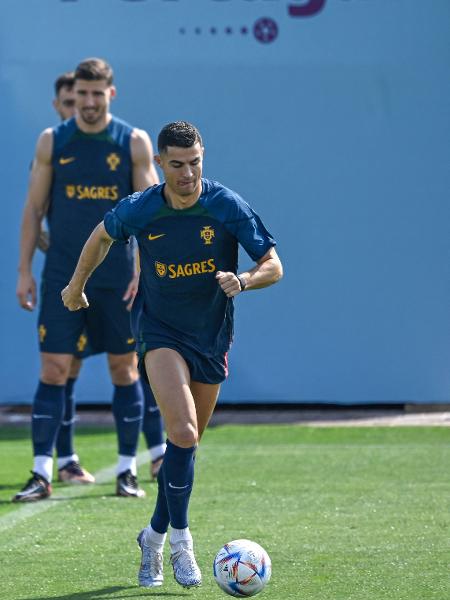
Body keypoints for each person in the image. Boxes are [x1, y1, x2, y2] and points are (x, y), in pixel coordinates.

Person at [61, 121, 283, 588]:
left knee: (187, 445)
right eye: (177, 165)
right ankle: (182, 541)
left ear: (204, 158)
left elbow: (274, 265)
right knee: (180, 430)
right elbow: (101, 235)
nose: (187, 173)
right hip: (160, 332)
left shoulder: (225, 205)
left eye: (195, 163)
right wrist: (75, 285)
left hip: (211, 338)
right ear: (160, 164)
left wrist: (243, 280)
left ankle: (153, 535)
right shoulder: (142, 209)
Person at [14, 57, 162, 502]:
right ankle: (42, 473)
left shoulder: (132, 142)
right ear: (72, 94)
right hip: (62, 273)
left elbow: (151, 213)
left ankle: (126, 471)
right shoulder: (52, 141)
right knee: (54, 369)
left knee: (124, 369)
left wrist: (145, 269)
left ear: (111, 95)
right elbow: (33, 209)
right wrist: (24, 270)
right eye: (83, 93)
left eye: (98, 93)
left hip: (117, 277)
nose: (90, 102)